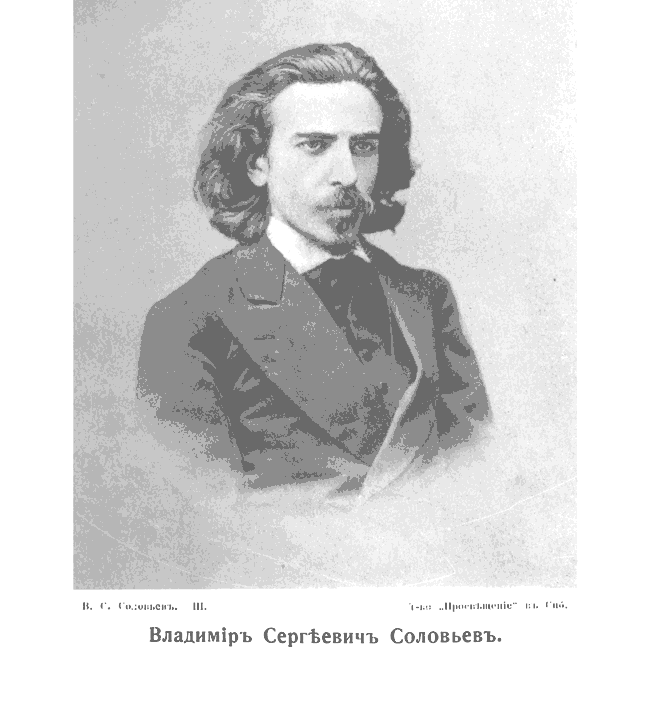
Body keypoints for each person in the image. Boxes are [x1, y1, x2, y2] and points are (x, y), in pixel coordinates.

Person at [137, 43, 490, 498]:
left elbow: (478, 474)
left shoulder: (426, 297)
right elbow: (203, 515)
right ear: (257, 163)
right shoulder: (190, 320)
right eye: (315, 146)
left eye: (363, 147)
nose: (347, 174)